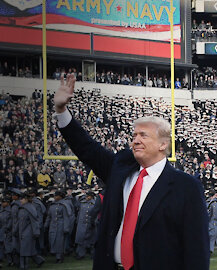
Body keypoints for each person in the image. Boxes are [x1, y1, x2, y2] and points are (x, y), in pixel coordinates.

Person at [53, 74, 209, 270]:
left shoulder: (186, 186)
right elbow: (87, 148)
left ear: (163, 144)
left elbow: (197, 247)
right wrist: (61, 110)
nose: (135, 140)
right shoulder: (120, 168)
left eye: (143, 135)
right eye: (134, 135)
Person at [15, 192, 45, 269]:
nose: (20, 200)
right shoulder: (22, 208)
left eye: (21, 199)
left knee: (25, 250)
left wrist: (36, 232)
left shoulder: (31, 208)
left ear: (26, 199)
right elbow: (19, 221)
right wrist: (15, 230)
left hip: (29, 232)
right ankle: (39, 260)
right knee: (29, 250)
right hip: (22, 232)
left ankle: (24, 265)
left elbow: (34, 221)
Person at [44, 190, 71, 263]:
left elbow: (66, 217)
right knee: (52, 240)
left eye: (56, 195)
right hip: (52, 225)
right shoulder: (52, 205)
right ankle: (55, 254)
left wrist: (66, 228)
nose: (55, 197)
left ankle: (59, 257)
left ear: (60, 196)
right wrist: (46, 225)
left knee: (59, 242)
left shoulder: (64, 205)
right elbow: (49, 216)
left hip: (60, 226)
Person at [75, 191, 98, 259]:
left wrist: (94, 223)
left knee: (92, 240)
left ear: (91, 196)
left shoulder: (94, 204)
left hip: (91, 224)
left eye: (88, 196)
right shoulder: (82, 202)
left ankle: (93, 254)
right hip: (82, 224)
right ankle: (80, 254)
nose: (86, 197)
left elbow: (96, 214)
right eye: (86, 196)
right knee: (81, 239)